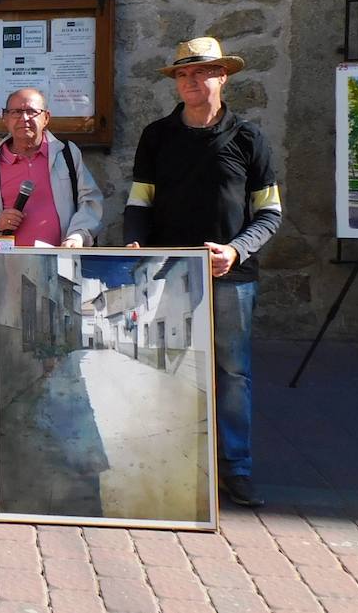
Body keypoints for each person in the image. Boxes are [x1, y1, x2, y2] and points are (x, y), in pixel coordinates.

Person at [124, 37, 281, 509]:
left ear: (222, 76)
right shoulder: (156, 136)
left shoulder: (250, 138)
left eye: (202, 72)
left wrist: (236, 251)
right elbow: (139, 202)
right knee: (165, 367)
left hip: (229, 278)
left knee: (232, 373)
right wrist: (136, 242)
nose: (191, 81)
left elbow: (269, 214)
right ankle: (170, 457)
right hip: (167, 273)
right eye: (183, 75)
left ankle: (236, 466)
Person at [0, 87, 104, 255]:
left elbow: (90, 203)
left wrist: (77, 236)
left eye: (32, 112)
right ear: (5, 118)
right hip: (6, 272)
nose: (24, 118)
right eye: (16, 112)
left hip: (63, 266)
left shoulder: (67, 155)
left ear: (46, 118)